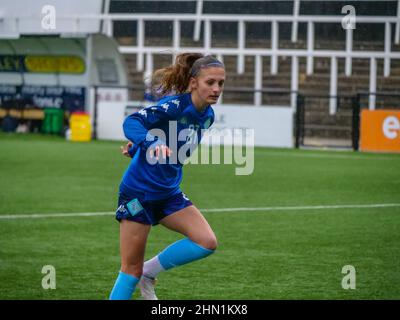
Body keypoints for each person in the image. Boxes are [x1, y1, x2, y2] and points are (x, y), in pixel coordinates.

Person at [109, 53, 226, 300]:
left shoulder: (208, 116)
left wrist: (137, 148)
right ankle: (140, 274)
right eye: (210, 83)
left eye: (220, 83)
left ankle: (148, 273)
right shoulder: (175, 106)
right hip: (138, 194)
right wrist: (147, 142)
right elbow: (133, 122)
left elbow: (174, 142)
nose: (216, 89)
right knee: (130, 270)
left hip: (168, 192)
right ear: (194, 82)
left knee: (206, 242)